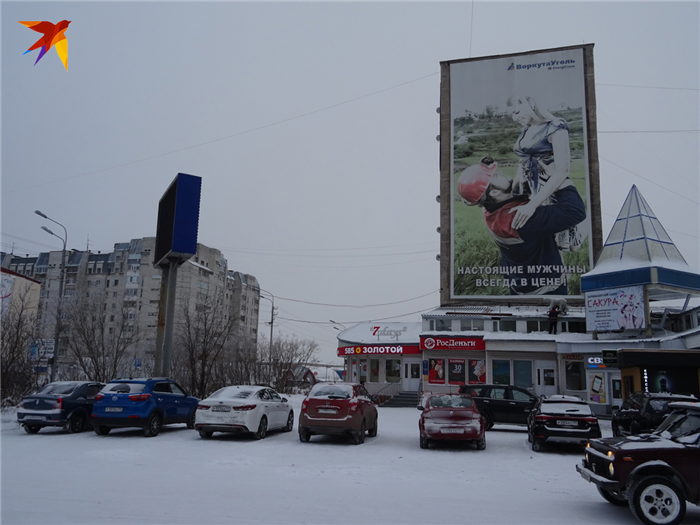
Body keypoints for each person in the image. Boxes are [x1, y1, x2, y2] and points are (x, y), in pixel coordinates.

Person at [457, 156, 586, 295]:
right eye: (494, 176)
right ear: (494, 192)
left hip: (520, 284)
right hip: (545, 290)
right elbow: (575, 211)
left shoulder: (490, 209)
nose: (500, 173)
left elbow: (515, 191)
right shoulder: (518, 219)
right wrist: (557, 176)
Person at [507, 94, 581, 251]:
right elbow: (523, 162)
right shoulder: (526, 130)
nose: (514, 118)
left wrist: (532, 205)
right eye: (511, 114)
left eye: (517, 112)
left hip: (550, 188)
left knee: (562, 243)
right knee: (541, 242)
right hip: (530, 189)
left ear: (530, 105)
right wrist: (512, 192)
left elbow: (562, 171)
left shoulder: (555, 126)